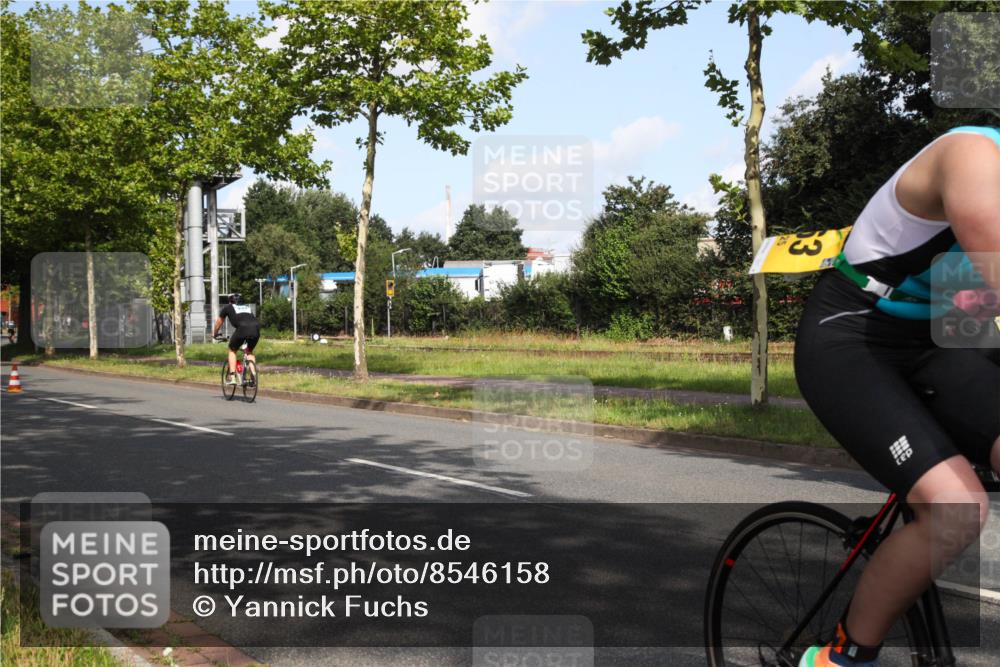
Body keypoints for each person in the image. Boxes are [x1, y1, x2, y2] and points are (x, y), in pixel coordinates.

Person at [795, 126, 1000, 667]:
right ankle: (840, 654)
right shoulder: (972, 156)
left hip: (943, 336)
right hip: (854, 334)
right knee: (956, 509)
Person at [212, 293, 260, 386]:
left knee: (232, 350)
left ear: (230, 301)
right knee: (249, 351)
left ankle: (232, 377)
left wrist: (215, 334)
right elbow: (250, 320)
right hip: (256, 329)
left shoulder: (228, 307)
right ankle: (253, 375)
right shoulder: (247, 308)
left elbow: (219, 322)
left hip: (242, 329)